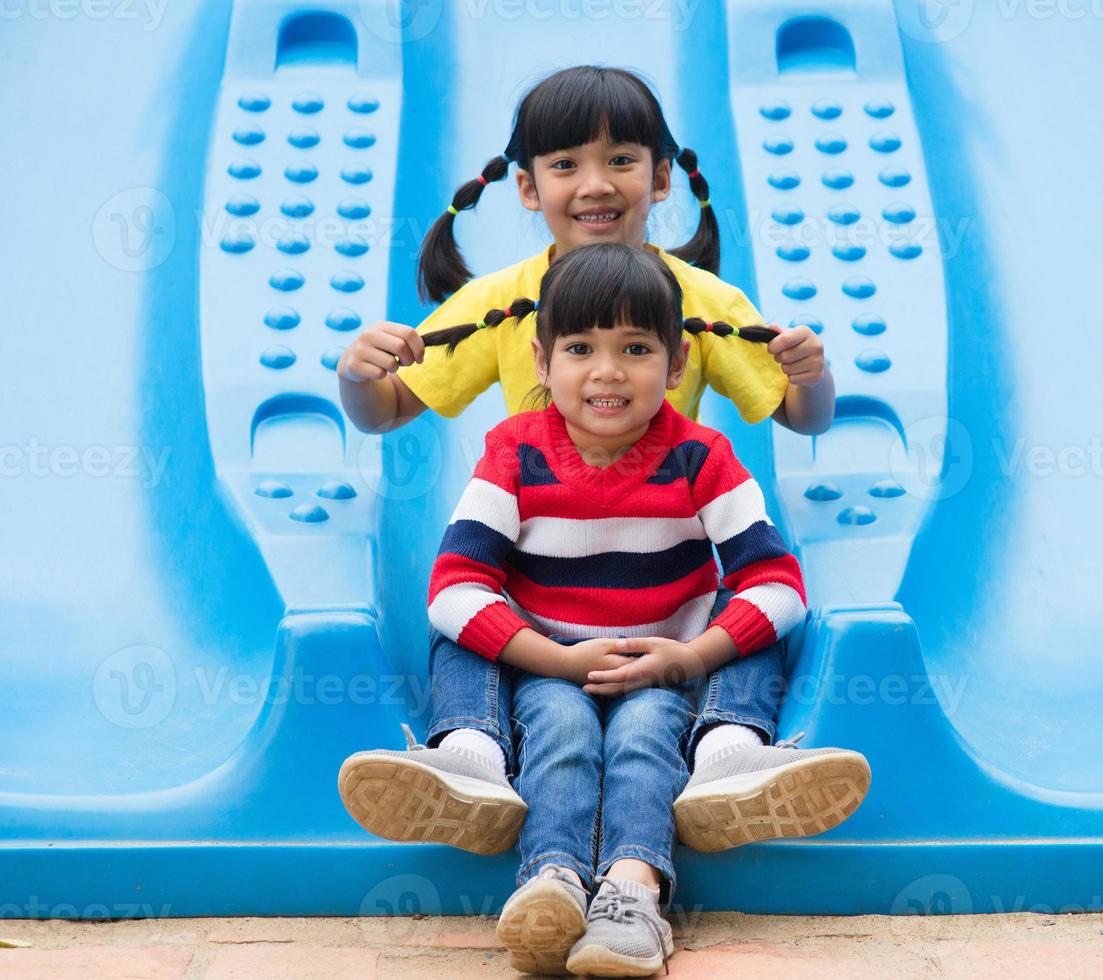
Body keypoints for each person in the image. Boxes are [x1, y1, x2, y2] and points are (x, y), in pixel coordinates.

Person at [337, 66, 867, 864]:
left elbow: (803, 419)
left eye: (621, 160)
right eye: (564, 165)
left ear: (660, 179)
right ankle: (468, 764)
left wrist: (811, 378)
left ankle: (729, 756)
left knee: (756, 604)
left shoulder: (701, 304)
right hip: (539, 555)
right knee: (464, 617)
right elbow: (389, 411)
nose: (595, 184)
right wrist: (357, 378)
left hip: (663, 552)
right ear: (526, 187)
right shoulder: (500, 302)